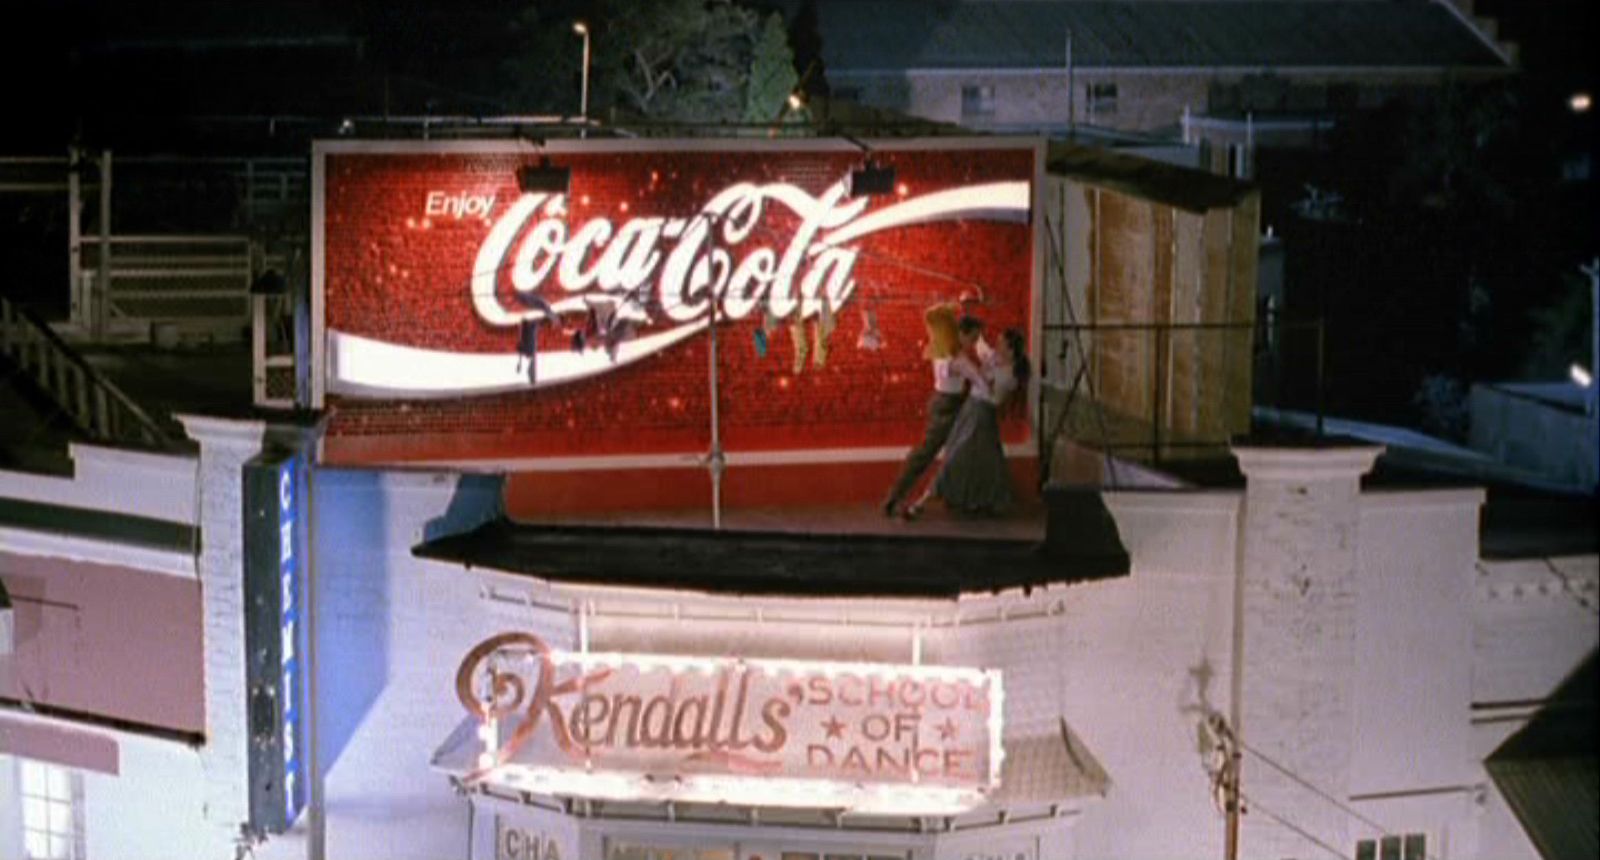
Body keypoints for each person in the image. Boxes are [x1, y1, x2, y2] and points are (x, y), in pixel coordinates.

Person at [903, 327, 1031, 519]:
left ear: (1010, 350)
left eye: (1001, 344)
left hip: (980, 416)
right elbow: (982, 348)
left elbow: (995, 400)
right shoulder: (995, 360)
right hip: (971, 412)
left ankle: (923, 502)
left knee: (957, 458)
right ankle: (981, 500)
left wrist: (981, 380)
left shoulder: (1008, 375)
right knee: (978, 460)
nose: (997, 346)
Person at [881, 305, 982, 517]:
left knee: (946, 452)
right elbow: (979, 381)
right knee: (930, 453)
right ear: (960, 334)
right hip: (949, 405)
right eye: (972, 339)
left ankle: (900, 496)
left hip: (943, 402)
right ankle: (895, 498)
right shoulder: (957, 358)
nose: (973, 345)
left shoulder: (941, 350)